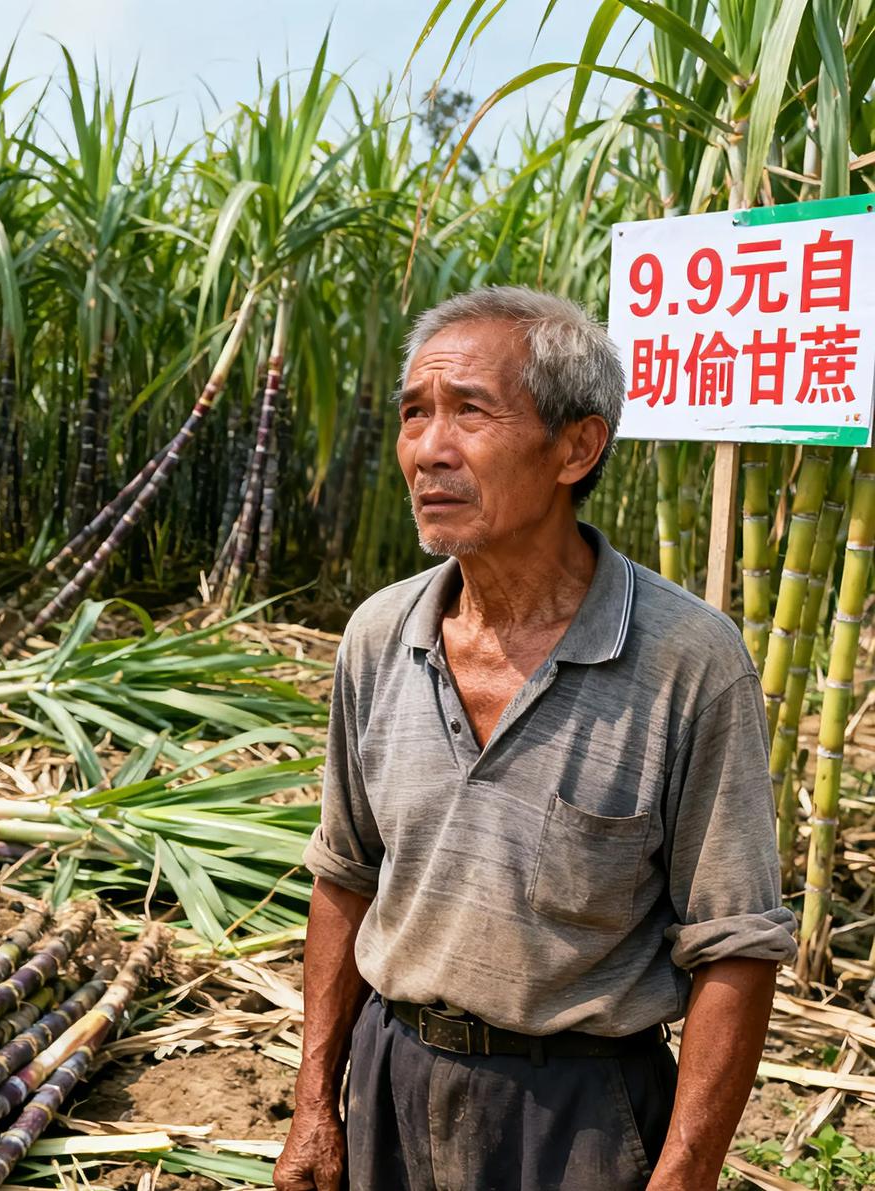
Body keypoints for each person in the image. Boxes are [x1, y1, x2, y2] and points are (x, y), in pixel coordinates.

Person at [273, 286, 796, 1191]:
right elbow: (346, 874)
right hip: (393, 1079)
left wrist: (685, 1173)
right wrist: (315, 1101)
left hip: (580, 1114)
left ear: (577, 447)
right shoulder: (378, 636)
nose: (429, 449)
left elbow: (735, 944)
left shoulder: (687, 661)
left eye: (471, 412)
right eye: (414, 413)